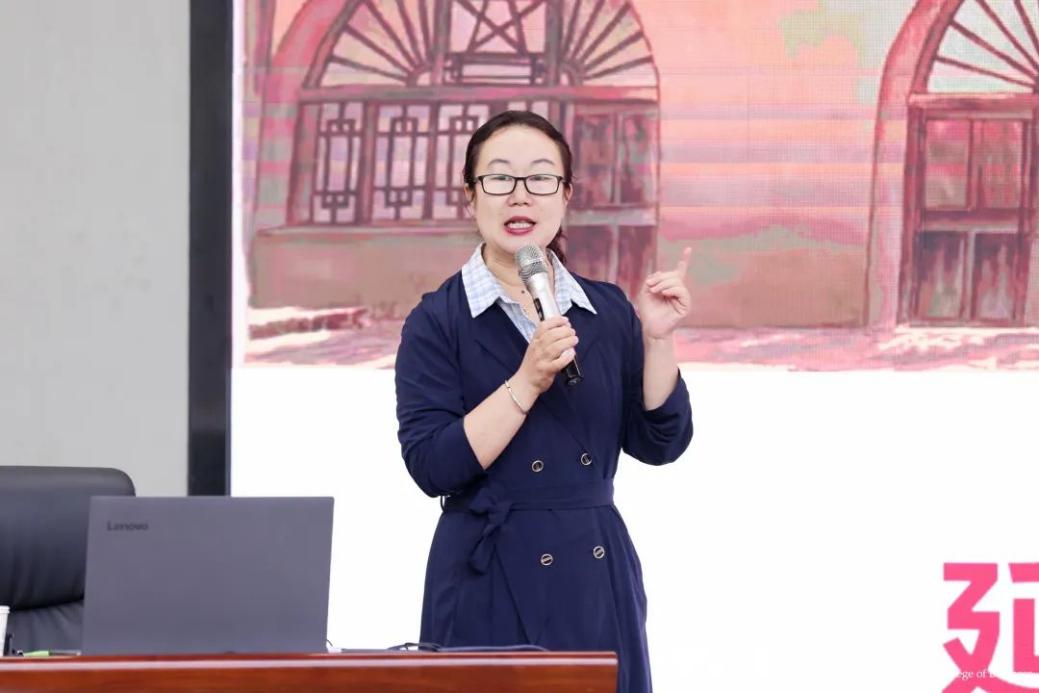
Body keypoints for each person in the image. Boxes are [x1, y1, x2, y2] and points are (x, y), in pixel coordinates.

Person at [394, 110, 693, 692]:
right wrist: (526, 381)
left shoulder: (606, 310)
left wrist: (658, 340)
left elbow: (660, 442)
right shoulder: (438, 320)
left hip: (593, 573)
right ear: (470, 196)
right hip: (485, 575)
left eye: (539, 177)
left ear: (566, 196)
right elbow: (432, 465)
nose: (519, 194)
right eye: (499, 177)